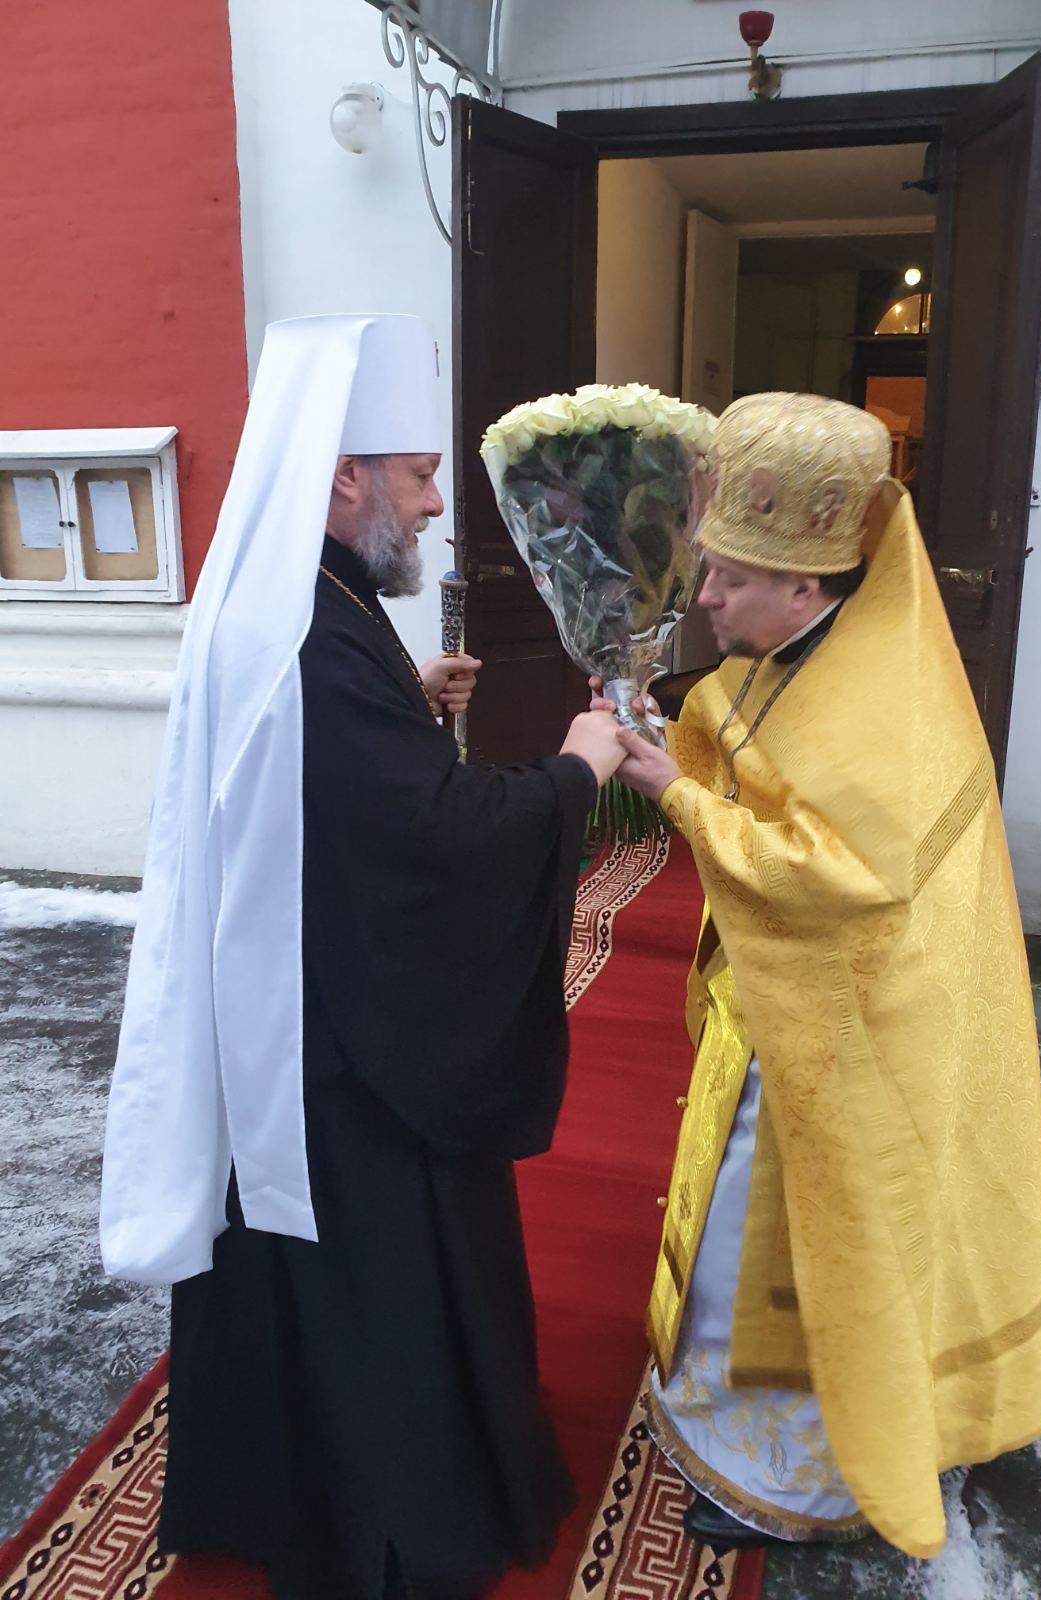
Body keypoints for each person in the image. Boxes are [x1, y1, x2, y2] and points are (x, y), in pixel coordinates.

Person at [99, 314, 625, 1600]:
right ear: (343, 479)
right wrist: (574, 773)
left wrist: (410, 700)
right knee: (371, 1284)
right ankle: (383, 1514)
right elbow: (426, 837)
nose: (438, 504)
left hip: (293, 1002)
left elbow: (328, 775)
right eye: (420, 475)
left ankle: (272, 1479)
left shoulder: (303, 594)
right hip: (341, 1057)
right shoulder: (306, 623)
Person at [606, 392, 1041, 1558]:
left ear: (805, 583)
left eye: (727, 577)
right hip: (780, 1004)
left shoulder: (885, 699)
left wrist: (672, 791)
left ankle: (802, 1481)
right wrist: (671, 734)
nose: (705, 597)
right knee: (734, 1232)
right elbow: (755, 752)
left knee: (803, 1255)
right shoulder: (800, 649)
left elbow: (835, 876)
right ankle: (726, 1420)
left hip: (858, 1035)